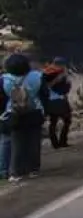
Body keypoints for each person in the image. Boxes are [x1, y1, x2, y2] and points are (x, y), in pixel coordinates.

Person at [1, 53, 48, 183]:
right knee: (34, 141)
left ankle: (15, 172)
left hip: (14, 114)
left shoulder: (4, 80)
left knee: (17, 142)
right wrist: (46, 111)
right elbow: (45, 95)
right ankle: (33, 169)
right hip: (35, 112)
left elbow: (1, 99)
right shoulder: (37, 76)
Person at [43, 57, 73, 148]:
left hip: (60, 99)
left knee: (63, 121)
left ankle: (60, 142)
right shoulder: (49, 72)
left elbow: (65, 86)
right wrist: (58, 79)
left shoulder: (61, 72)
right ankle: (58, 143)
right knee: (57, 121)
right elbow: (47, 85)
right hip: (54, 100)